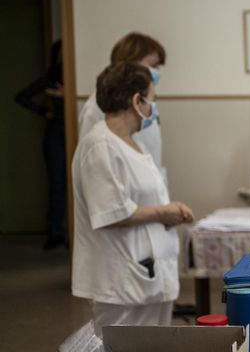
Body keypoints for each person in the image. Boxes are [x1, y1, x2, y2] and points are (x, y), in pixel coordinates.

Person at [71, 62, 193, 336]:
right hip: (120, 280)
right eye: (151, 100)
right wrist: (164, 213)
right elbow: (112, 213)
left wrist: (168, 214)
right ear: (137, 100)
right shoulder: (99, 145)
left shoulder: (129, 142)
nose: (152, 109)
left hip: (146, 276)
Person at [79, 32, 166, 173]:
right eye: (153, 65)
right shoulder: (96, 108)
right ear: (129, 64)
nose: (156, 72)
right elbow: (93, 165)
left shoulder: (144, 101)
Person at [14, 40, 67, 249]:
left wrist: (66, 95)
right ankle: (55, 232)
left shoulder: (79, 76)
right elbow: (21, 97)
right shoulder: (51, 79)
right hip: (56, 132)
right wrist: (44, 112)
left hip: (77, 132)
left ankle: (73, 233)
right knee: (57, 184)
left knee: (76, 184)